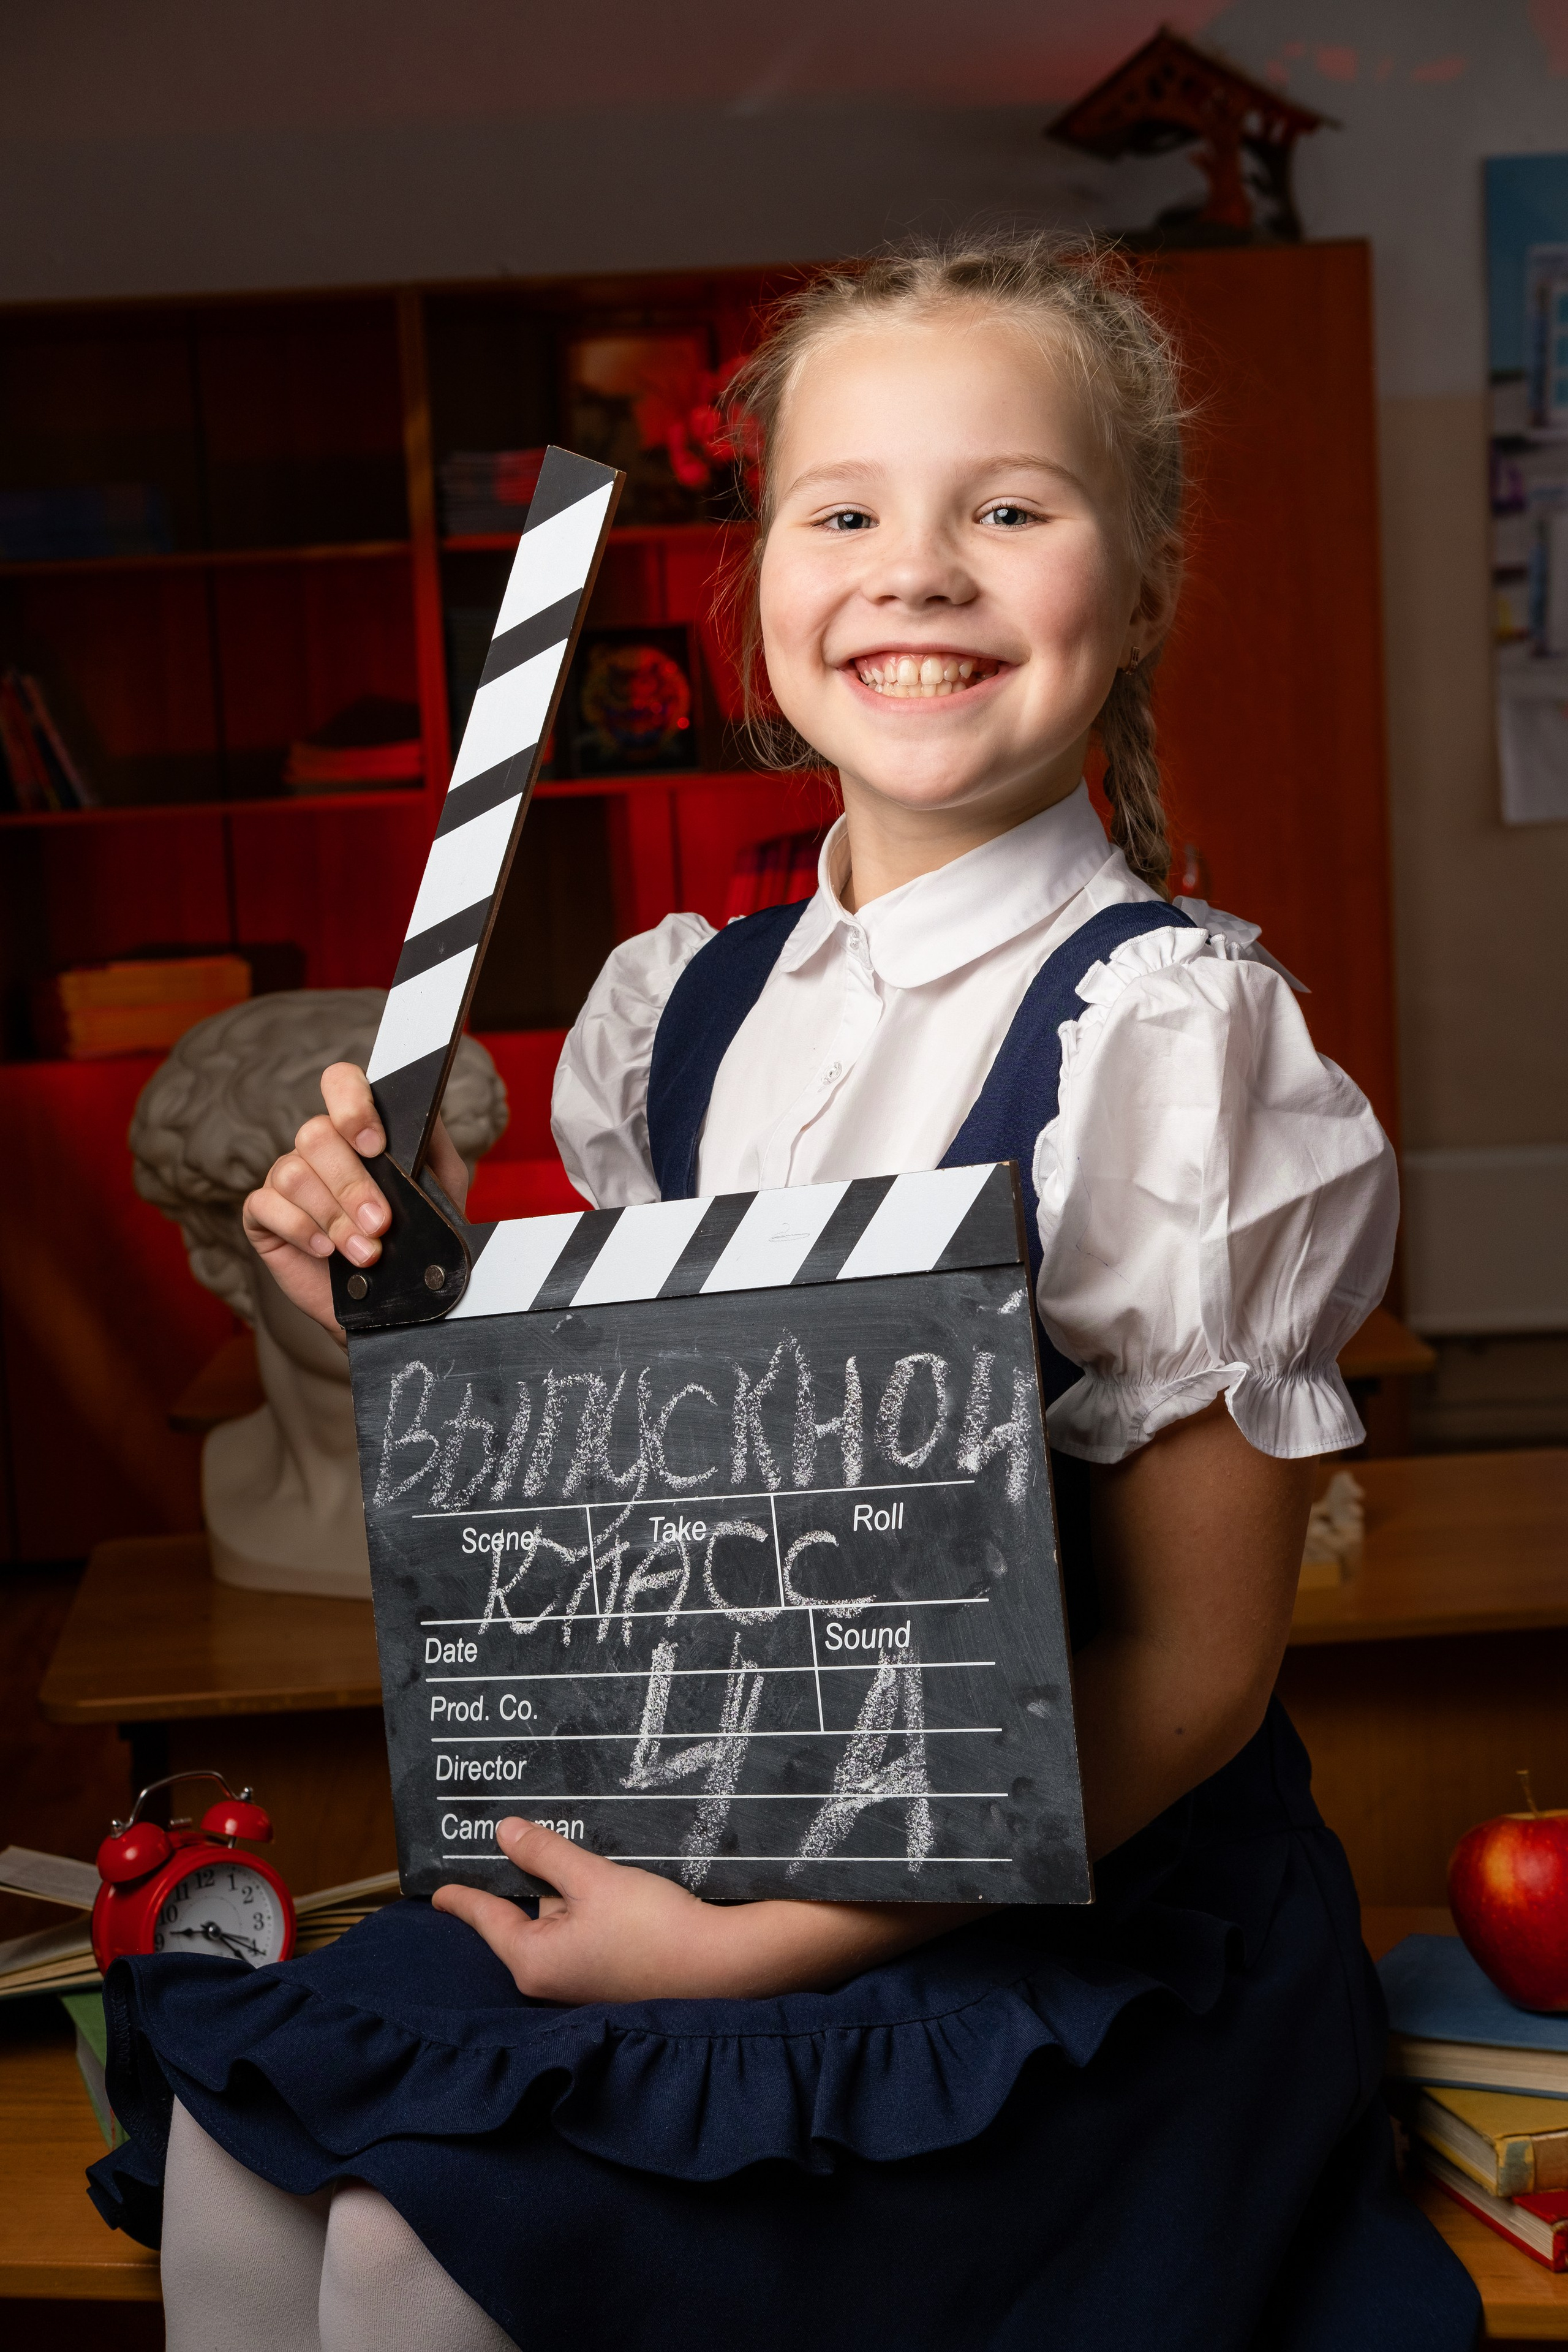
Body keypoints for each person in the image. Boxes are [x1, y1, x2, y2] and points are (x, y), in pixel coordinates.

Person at [89, 236, 1479, 2351]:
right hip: (702, 1811)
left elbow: (1191, 1684)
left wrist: (752, 1949)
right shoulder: (682, 1010)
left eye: (1009, 507)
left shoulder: (1185, 1054)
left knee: (414, 2247)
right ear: (756, 589)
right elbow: (607, 1507)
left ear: (1143, 578)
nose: (915, 569)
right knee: (242, 2143)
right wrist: (364, 1281)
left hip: (1055, 1909)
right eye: (844, 511)